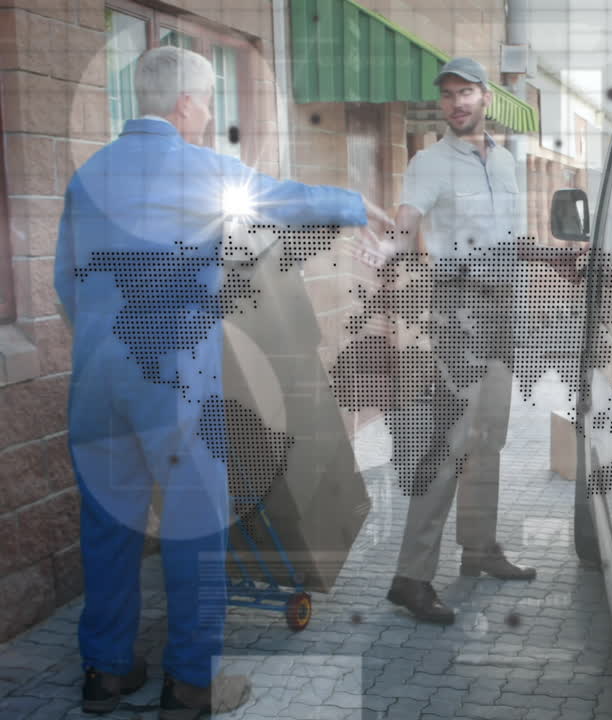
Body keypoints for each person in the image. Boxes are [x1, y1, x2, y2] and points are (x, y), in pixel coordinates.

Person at [54, 46, 391, 718]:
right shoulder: (198, 168)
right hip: (169, 379)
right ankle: (189, 685)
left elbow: (66, 284)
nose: (209, 115)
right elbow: (283, 199)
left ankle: (105, 671)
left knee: (109, 526)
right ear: (185, 104)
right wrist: (358, 205)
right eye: (208, 101)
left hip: (94, 380)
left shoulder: (87, 176)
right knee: (192, 527)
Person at [383, 57, 540, 625]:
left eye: (466, 92)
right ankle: (411, 576)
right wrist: (387, 251)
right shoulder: (429, 162)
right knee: (448, 444)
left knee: (488, 438)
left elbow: (511, 239)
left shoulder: (505, 164)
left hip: (502, 310)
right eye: (448, 95)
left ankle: (479, 549)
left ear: (486, 98)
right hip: (458, 310)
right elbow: (406, 223)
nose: (457, 103)